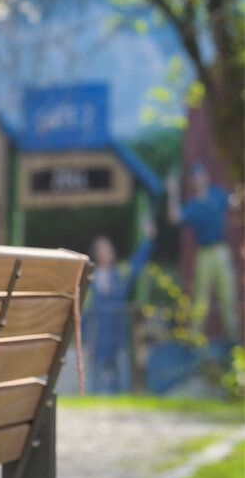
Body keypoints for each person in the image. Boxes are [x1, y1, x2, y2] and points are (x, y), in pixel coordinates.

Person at [167, 162, 240, 342]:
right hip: (204, 253)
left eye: (201, 175)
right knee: (201, 299)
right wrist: (173, 191)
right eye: (195, 177)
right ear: (192, 181)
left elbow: (234, 204)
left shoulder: (217, 194)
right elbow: (175, 217)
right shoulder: (192, 205)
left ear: (206, 177)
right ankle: (195, 342)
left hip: (222, 250)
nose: (199, 179)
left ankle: (235, 342)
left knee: (228, 296)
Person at [84, 221, 155, 394]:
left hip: (118, 339)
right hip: (98, 341)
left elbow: (137, 263)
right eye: (103, 248)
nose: (108, 251)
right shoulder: (89, 281)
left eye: (108, 247)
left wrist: (149, 239)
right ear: (97, 254)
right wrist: (84, 342)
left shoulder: (120, 273)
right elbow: (85, 315)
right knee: (96, 387)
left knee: (121, 385)